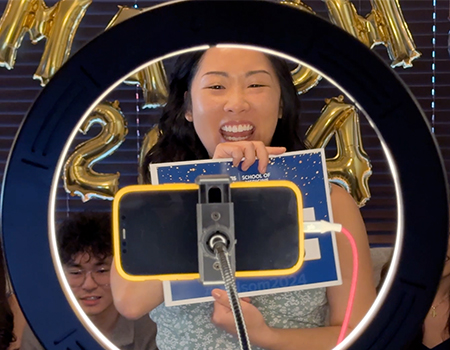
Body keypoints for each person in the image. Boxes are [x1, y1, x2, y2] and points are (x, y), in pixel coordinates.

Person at [112, 47, 376, 350]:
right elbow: (129, 301)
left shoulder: (328, 201)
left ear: (281, 104)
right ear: (187, 106)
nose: (236, 103)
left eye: (256, 85)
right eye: (216, 87)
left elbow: (359, 334)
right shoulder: (156, 201)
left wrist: (265, 336)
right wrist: (214, 182)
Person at [21, 212, 158, 350]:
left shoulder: (151, 327)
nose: (89, 285)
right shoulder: (41, 330)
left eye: (102, 271)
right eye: (76, 273)